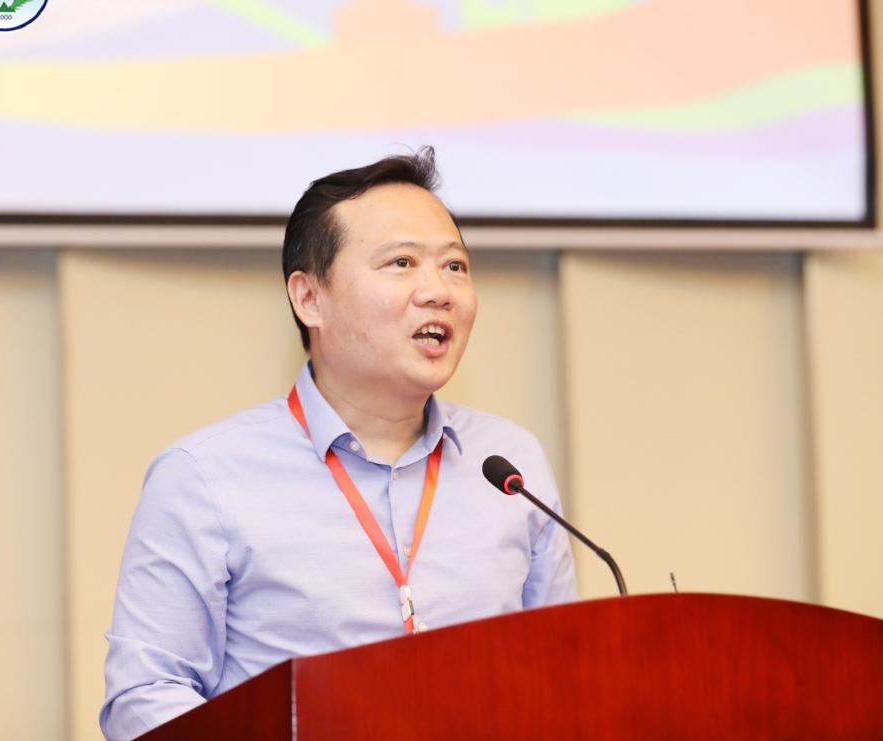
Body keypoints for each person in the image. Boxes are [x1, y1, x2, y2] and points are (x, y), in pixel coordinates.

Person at [100, 148, 577, 740]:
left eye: (455, 265)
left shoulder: (509, 464)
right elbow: (146, 696)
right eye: (401, 262)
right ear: (309, 298)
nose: (439, 291)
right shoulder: (205, 476)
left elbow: (566, 679)